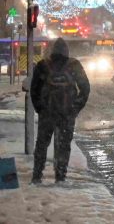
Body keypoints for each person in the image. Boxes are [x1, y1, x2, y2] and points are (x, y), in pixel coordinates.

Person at [30, 38, 90, 184]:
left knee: (42, 144)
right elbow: (85, 88)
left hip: (47, 114)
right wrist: (75, 108)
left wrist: (40, 108)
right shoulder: (74, 65)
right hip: (66, 115)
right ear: (66, 51)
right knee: (63, 146)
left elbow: (34, 89)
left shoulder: (43, 65)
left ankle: (37, 175)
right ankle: (60, 175)